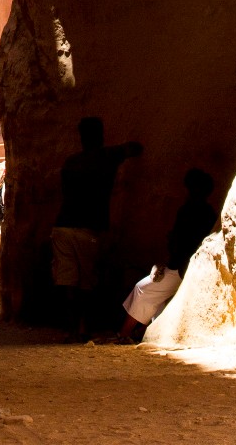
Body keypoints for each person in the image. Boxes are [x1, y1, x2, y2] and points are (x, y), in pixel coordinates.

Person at [51, 118, 143, 339]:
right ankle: (84, 327)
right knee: (87, 281)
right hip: (88, 229)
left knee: (68, 282)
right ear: (101, 135)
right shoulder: (108, 156)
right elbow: (136, 148)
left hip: (62, 226)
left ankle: (71, 328)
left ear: (81, 137)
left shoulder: (71, 162)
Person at [116, 169, 218, 344]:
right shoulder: (208, 213)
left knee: (143, 290)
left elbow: (183, 241)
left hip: (183, 266)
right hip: (185, 264)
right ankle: (139, 333)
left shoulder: (189, 210)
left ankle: (124, 334)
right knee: (155, 296)